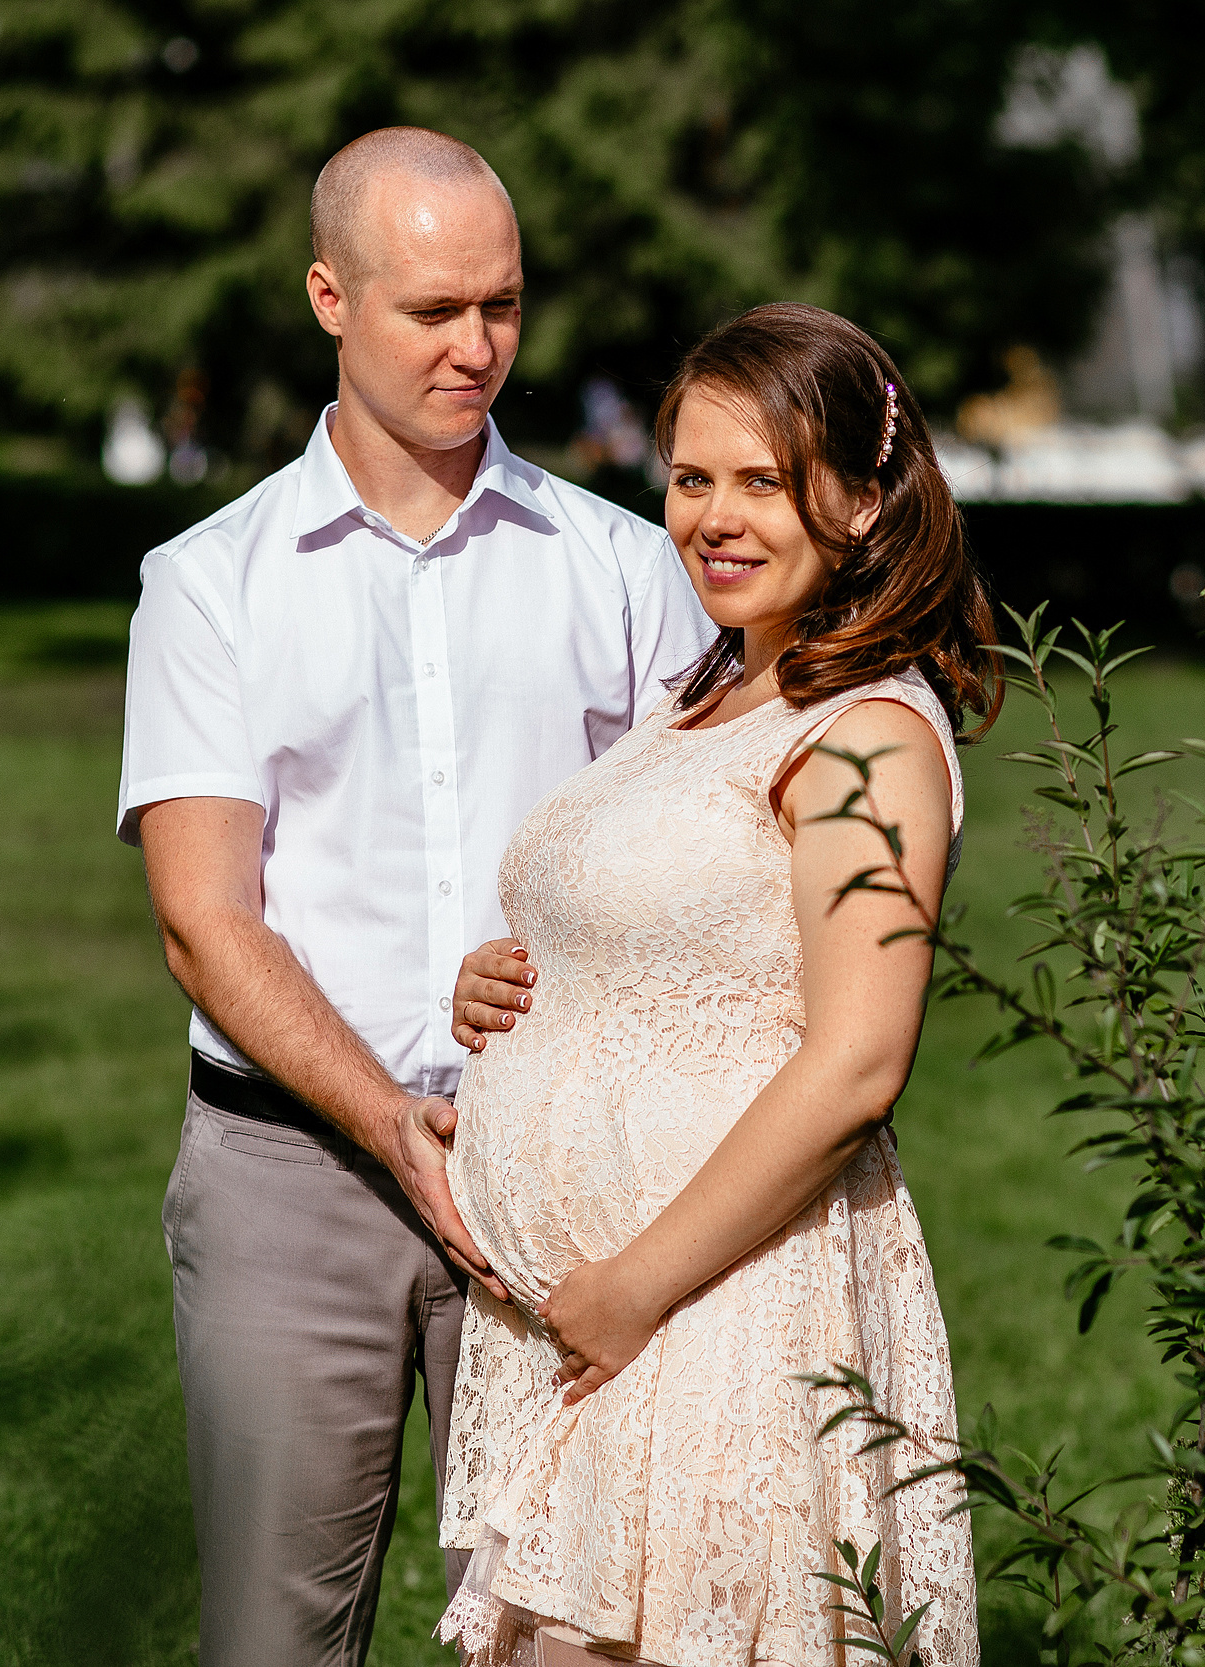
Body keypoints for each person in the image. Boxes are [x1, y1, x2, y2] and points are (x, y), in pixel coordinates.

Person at [117, 127, 716, 1667]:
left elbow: (701, 865)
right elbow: (205, 920)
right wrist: (391, 1122)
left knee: (564, 1631)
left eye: (502, 306)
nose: (478, 347)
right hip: (288, 1177)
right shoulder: (213, 581)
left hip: (561, 1172)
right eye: (431, 310)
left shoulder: (626, 569)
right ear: (330, 296)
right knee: (275, 1641)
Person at [430, 303, 992, 1667]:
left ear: (862, 500)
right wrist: (507, 988)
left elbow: (859, 1060)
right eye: (692, 479)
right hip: (612, 1320)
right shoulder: (709, 697)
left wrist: (632, 1288)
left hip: (719, 1304)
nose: (717, 519)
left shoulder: (864, 741)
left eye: (766, 480)